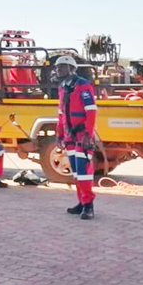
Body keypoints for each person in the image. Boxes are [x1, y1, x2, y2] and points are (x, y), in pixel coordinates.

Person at [55, 54, 98, 220]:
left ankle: (88, 206)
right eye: (57, 67)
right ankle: (81, 202)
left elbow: (91, 111)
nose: (58, 70)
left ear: (71, 68)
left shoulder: (83, 85)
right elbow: (61, 113)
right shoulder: (63, 87)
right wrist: (59, 134)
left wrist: (88, 134)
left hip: (81, 136)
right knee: (76, 173)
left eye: (61, 67)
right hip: (69, 137)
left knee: (84, 172)